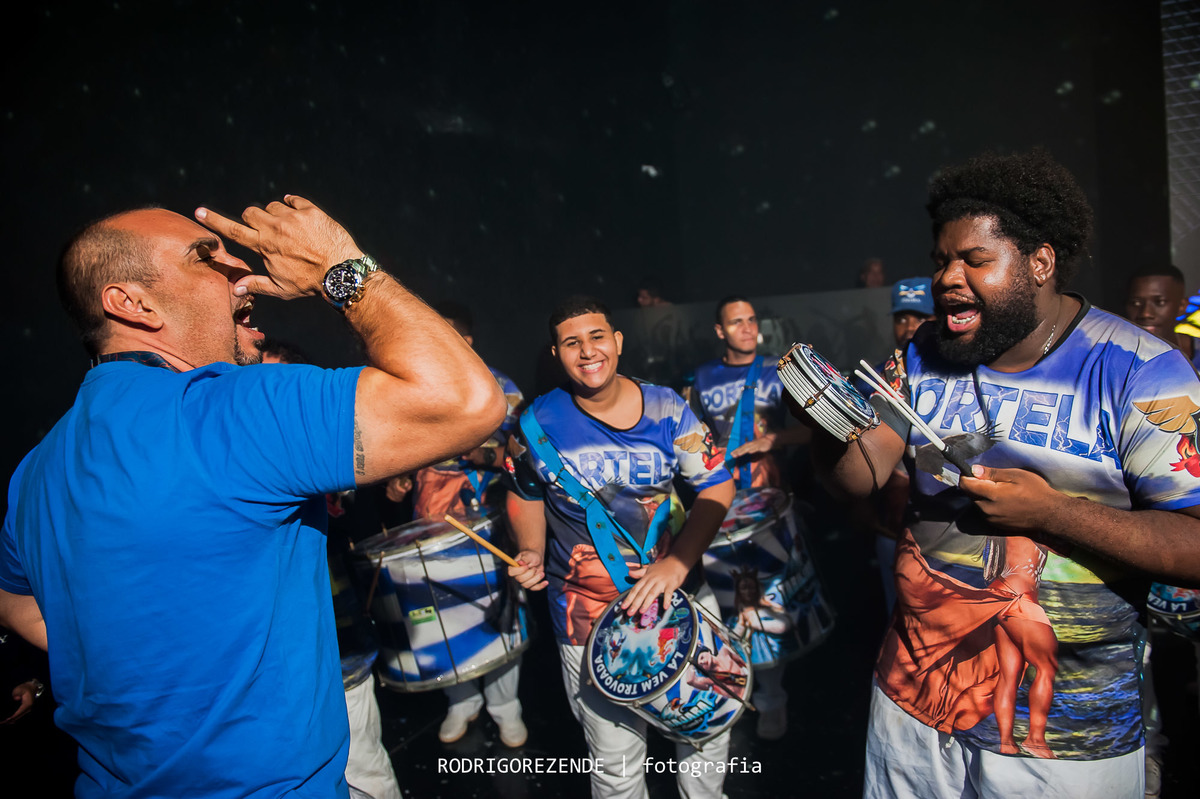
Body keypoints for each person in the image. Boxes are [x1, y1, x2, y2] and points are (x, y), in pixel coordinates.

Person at [0, 197, 506, 797]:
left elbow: (18, 606)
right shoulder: (231, 410)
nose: (241, 269)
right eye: (205, 257)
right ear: (131, 303)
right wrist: (338, 265)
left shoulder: (34, 472)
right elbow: (466, 401)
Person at [802, 150, 1200, 799]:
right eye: (940, 260)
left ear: (1040, 262)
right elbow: (859, 477)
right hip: (910, 712)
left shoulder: (1139, 371)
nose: (947, 278)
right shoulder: (923, 351)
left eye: (974, 260)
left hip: (1061, 742)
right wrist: (825, 420)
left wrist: (1053, 513)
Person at [504, 295, 736, 799]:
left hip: (681, 600)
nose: (588, 351)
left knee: (705, 731)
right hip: (587, 613)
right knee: (616, 762)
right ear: (556, 354)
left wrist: (678, 563)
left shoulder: (668, 408)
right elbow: (524, 493)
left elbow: (717, 486)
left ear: (618, 341)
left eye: (597, 337)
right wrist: (530, 549)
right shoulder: (534, 424)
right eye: (572, 343)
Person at [258, 337, 403, 799]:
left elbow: (362, 521)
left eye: (277, 382)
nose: (264, 393)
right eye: (255, 380)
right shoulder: (225, 460)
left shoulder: (328, 451)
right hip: (263, 661)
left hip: (337, 643)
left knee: (363, 767)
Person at [682, 296, 811, 740]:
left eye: (752, 320)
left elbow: (818, 430)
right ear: (720, 331)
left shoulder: (780, 370)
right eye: (736, 322)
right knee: (727, 606)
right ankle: (736, 692)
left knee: (766, 604)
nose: (747, 327)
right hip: (719, 508)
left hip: (769, 506)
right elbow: (689, 436)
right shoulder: (702, 377)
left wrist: (773, 439)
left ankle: (774, 699)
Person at [407, 301, 528, 748]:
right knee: (444, 611)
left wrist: (483, 454)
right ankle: (461, 701)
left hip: (489, 518)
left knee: (500, 610)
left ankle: (505, 707)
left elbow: (525, 452)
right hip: (432, 518)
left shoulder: (501, 389)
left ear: (468, 340)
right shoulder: (412, 384)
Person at [1125, 264, 1198, 367]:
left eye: (1160, 302)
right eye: (1136, 303)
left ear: (1182, 306)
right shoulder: (1112, 357)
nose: (1145, 313)